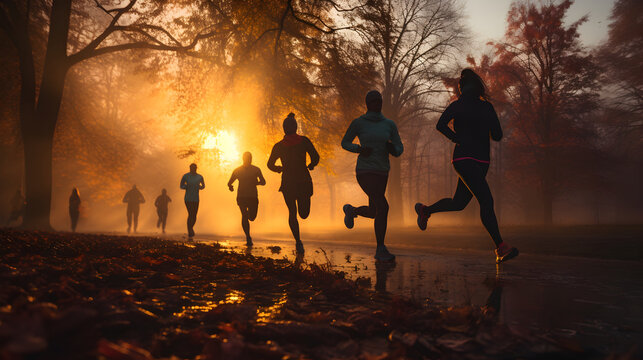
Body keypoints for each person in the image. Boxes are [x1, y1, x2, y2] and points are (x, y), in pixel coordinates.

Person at [414, 68, 518, 264]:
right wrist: (484, 124)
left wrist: (457, 138)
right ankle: (501, 247)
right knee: (486, 201)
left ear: (462, 89)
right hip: (472, 162)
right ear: (477, 87)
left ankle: (425, 211)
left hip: (465, 160)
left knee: (458, 203)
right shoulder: (485, 107)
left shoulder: (458, 105)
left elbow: (440, 125)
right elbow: (497, 135)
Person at [341, 90, 404, 262]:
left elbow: (399, 147)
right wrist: (359, 149)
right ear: (368, 104)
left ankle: (351, 210)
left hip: (382, 171)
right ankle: (380, 249)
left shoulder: (389, 124)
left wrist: (394, 150)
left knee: (373, 211)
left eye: (379, 101)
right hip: (365, 171)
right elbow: (345, 142)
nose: (378, 104)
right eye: (374, 101)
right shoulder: (359, 123)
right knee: (383, 207)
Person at [267, 113, 320, 254]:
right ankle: (298, 241)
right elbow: (316, 157)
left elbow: (270, 164)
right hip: (301, 181)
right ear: (295, 127)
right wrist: (312, 164)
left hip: (290, 183)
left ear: (285, 129)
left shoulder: (278, 146)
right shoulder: (304, 141)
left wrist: (279, 169)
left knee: (296, 213)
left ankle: (298, 241)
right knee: (301, 213)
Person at [228, 152, 266, 246]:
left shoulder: (256, 169)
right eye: (247, 158)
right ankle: (248, 237)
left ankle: (247, 219)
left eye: (250, 158)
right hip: (241, 196)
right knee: (244, 216)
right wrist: (231, 187)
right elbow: (229, 182)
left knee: (252, 217)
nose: (248, 159)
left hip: (253, 196)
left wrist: (256, 183)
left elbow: (263, 182)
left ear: (251, 159)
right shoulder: (237, 170)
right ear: (243, 159)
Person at [180, 163, 205, 240]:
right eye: (192, 168)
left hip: (196, 199)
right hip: (188, 199)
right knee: (191, 213)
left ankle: (191, 228)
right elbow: (181, 186)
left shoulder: (200, 177)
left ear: (196, 168)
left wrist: (199, 187)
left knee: (194, 215)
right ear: (190, 168)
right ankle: (190, 230)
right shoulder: (185, 176)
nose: (193, 169)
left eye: (194, 168)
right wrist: (186, 186)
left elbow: (203, 186)